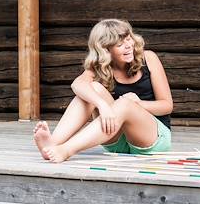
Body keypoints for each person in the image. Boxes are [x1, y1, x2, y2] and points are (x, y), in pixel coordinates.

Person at [34, 19, 173, 163]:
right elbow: (77, 84)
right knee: (92, 89)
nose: (128, 46)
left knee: (124, 104)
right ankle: (53, 143)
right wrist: (102, 105)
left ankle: (67, 149)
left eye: (128, 38)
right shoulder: (100, 66)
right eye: (120, 44)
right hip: (117, 141)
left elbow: (167, 105)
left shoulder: (148, 58)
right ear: (106, 50)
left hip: (152, 140)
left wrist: (137, 104)